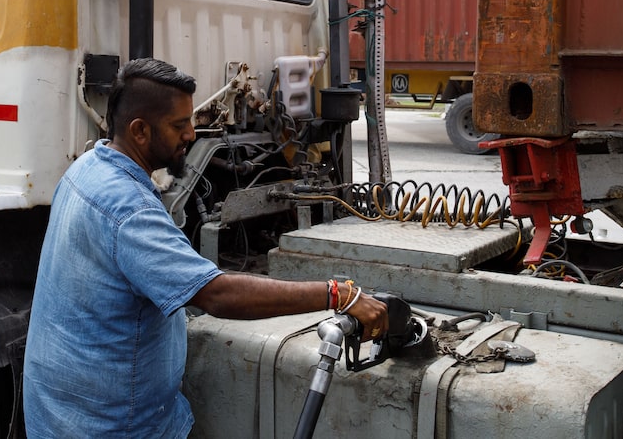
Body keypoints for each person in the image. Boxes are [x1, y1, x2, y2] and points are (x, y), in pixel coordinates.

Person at [23, 57, 388, 438]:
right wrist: (339, 293)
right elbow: (216, 294)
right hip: (113, 426)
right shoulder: (128, 209)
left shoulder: (87, 168)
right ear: (140, 131)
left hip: (64, 413)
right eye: (179, 125)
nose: (191, 134)